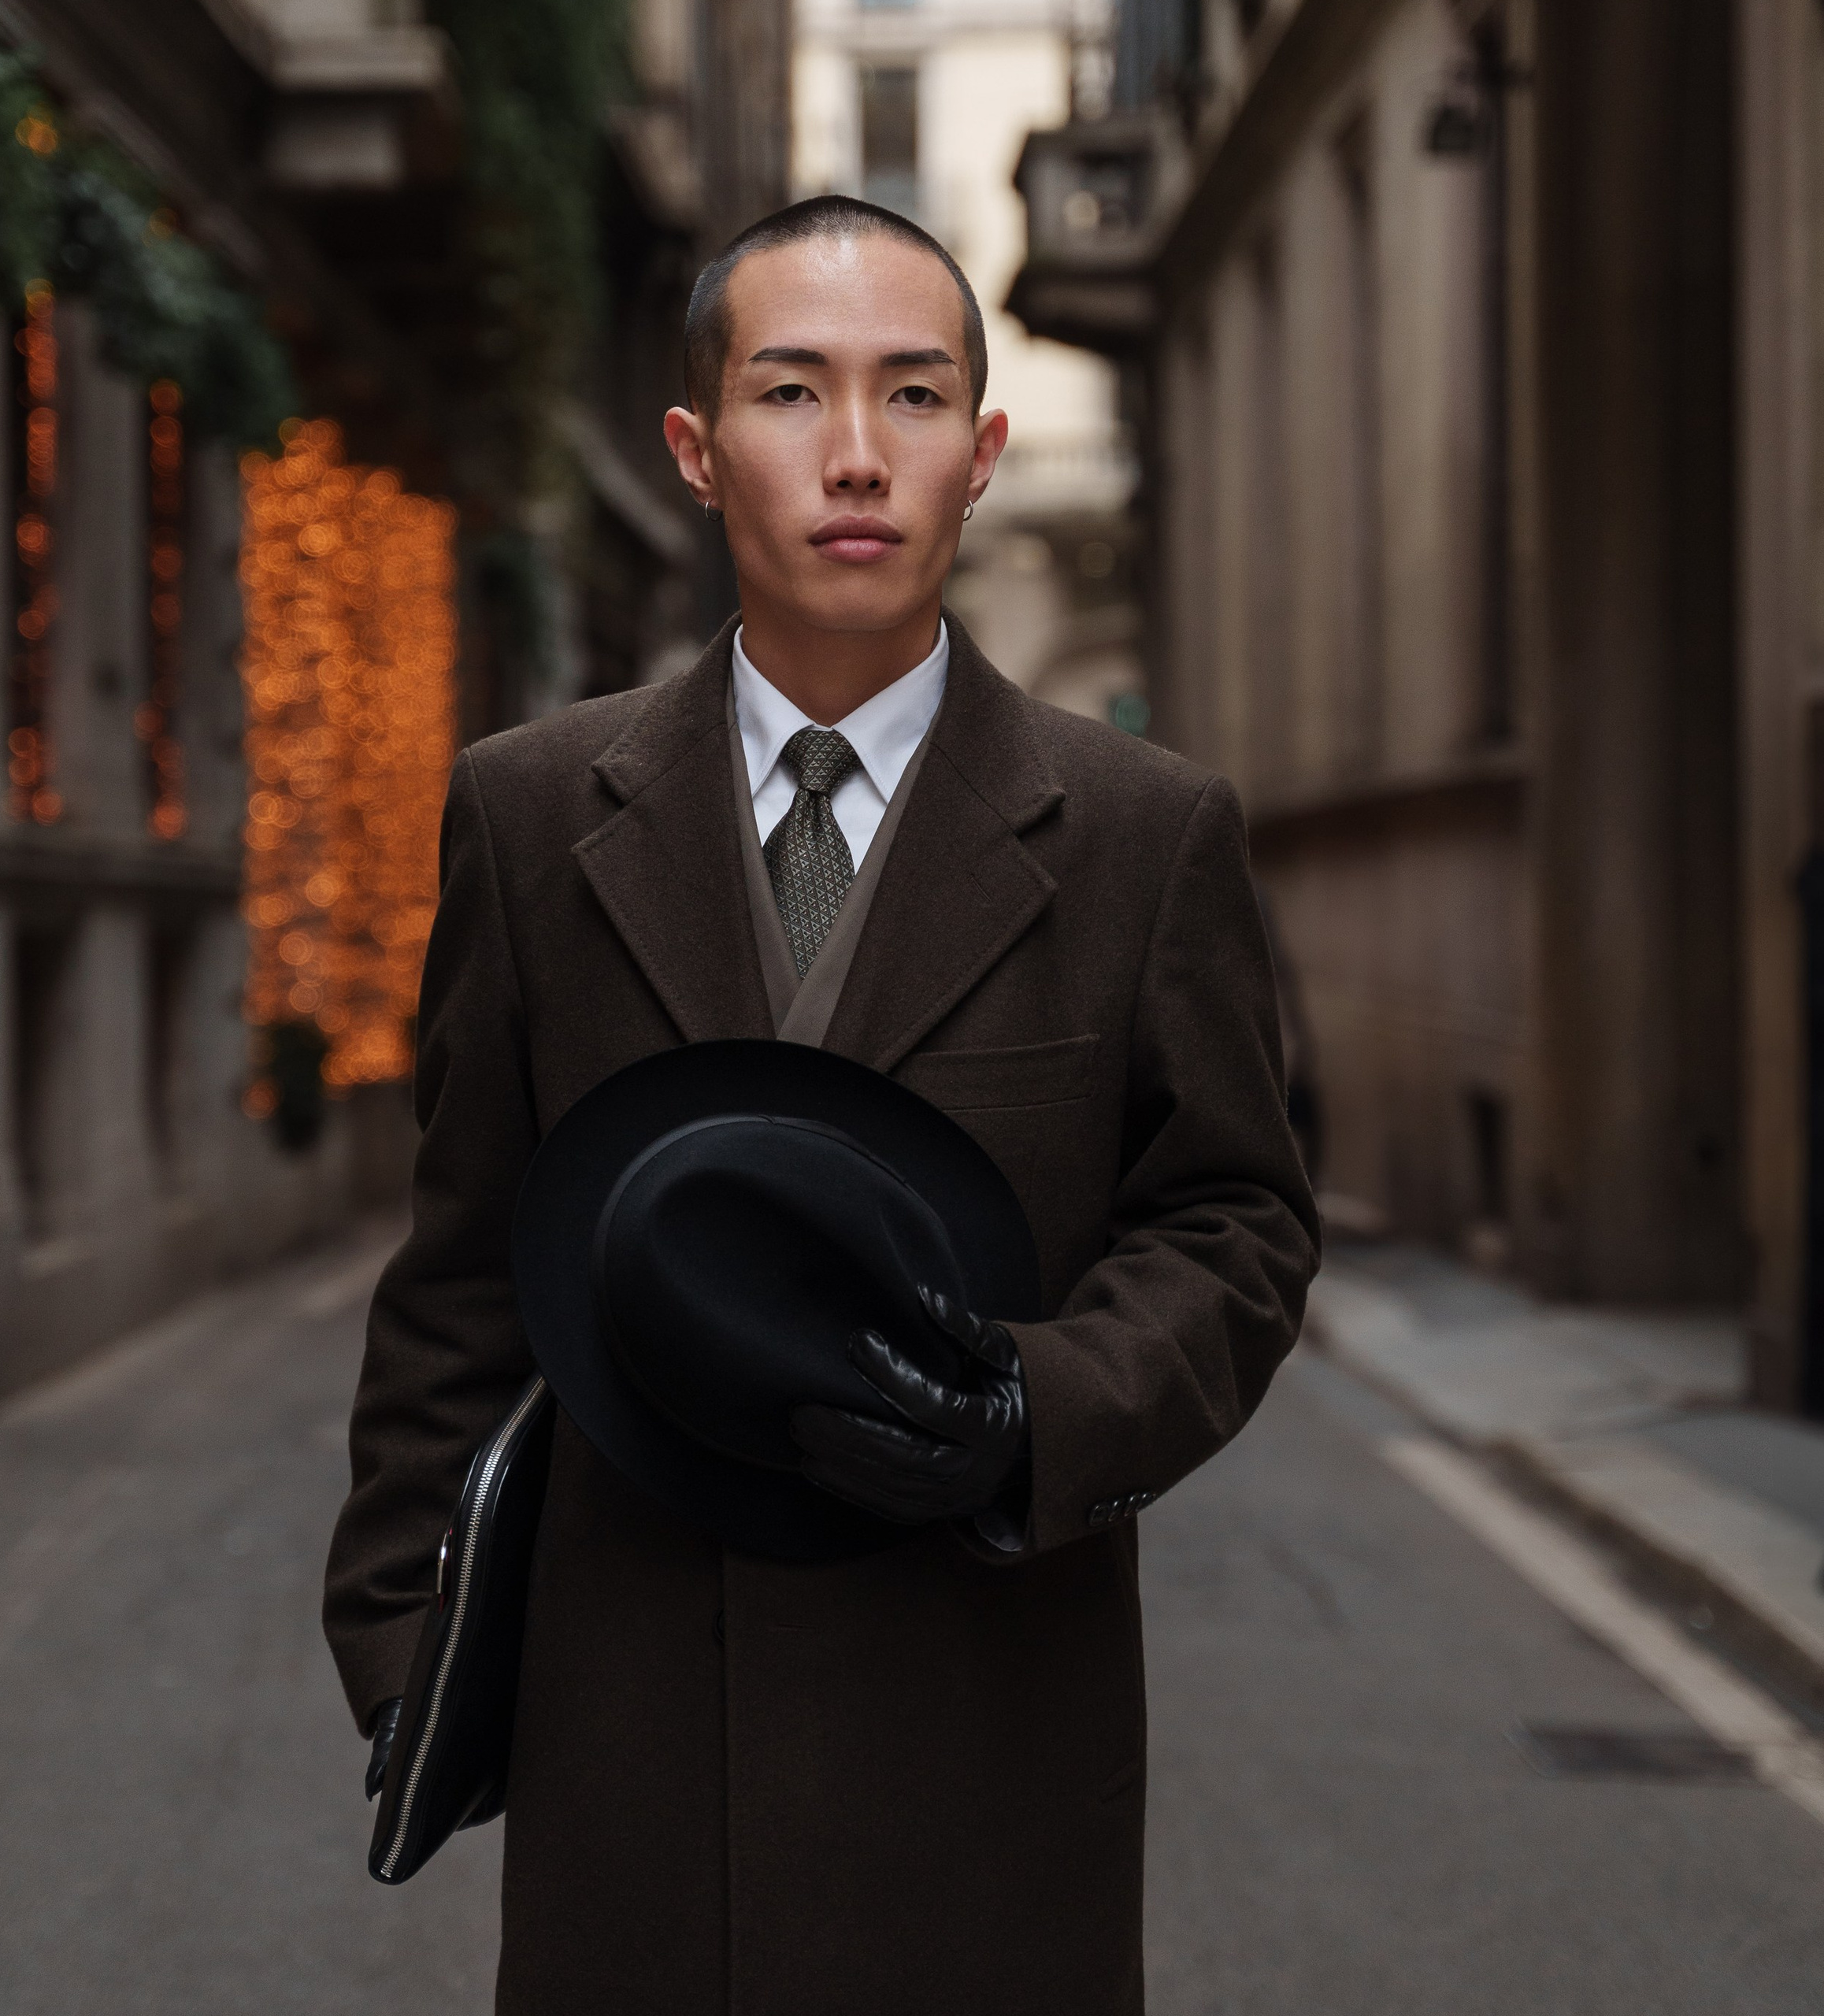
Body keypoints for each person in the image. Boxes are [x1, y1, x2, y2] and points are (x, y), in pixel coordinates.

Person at [324, 195, 1319, 2015]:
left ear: (982, 450)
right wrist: (409, 1641)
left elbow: (1236, 1224)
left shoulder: (1141, 832)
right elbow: (462, 1259)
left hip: (987, 1728)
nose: (855, 456)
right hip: (630, 1743)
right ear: (698, 452)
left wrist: (1043, 1404)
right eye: (792, 393)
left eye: (913, 396)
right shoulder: (530, 813)